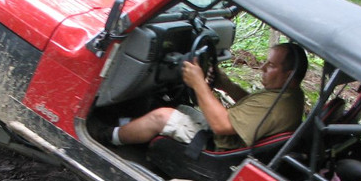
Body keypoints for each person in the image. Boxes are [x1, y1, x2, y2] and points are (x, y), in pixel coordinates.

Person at [100, 42, 307, 151]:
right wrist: (224, 84)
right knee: (181, 109)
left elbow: (222, 126)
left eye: (270, 65)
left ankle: (109, 136)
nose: (262, 68)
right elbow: (251, 106)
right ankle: (128, 125)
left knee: (163, 116)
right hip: (230, 139)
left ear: (288, 75)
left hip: (218, 147)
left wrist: (199, 83)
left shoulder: (279, 102)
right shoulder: (288, 95)